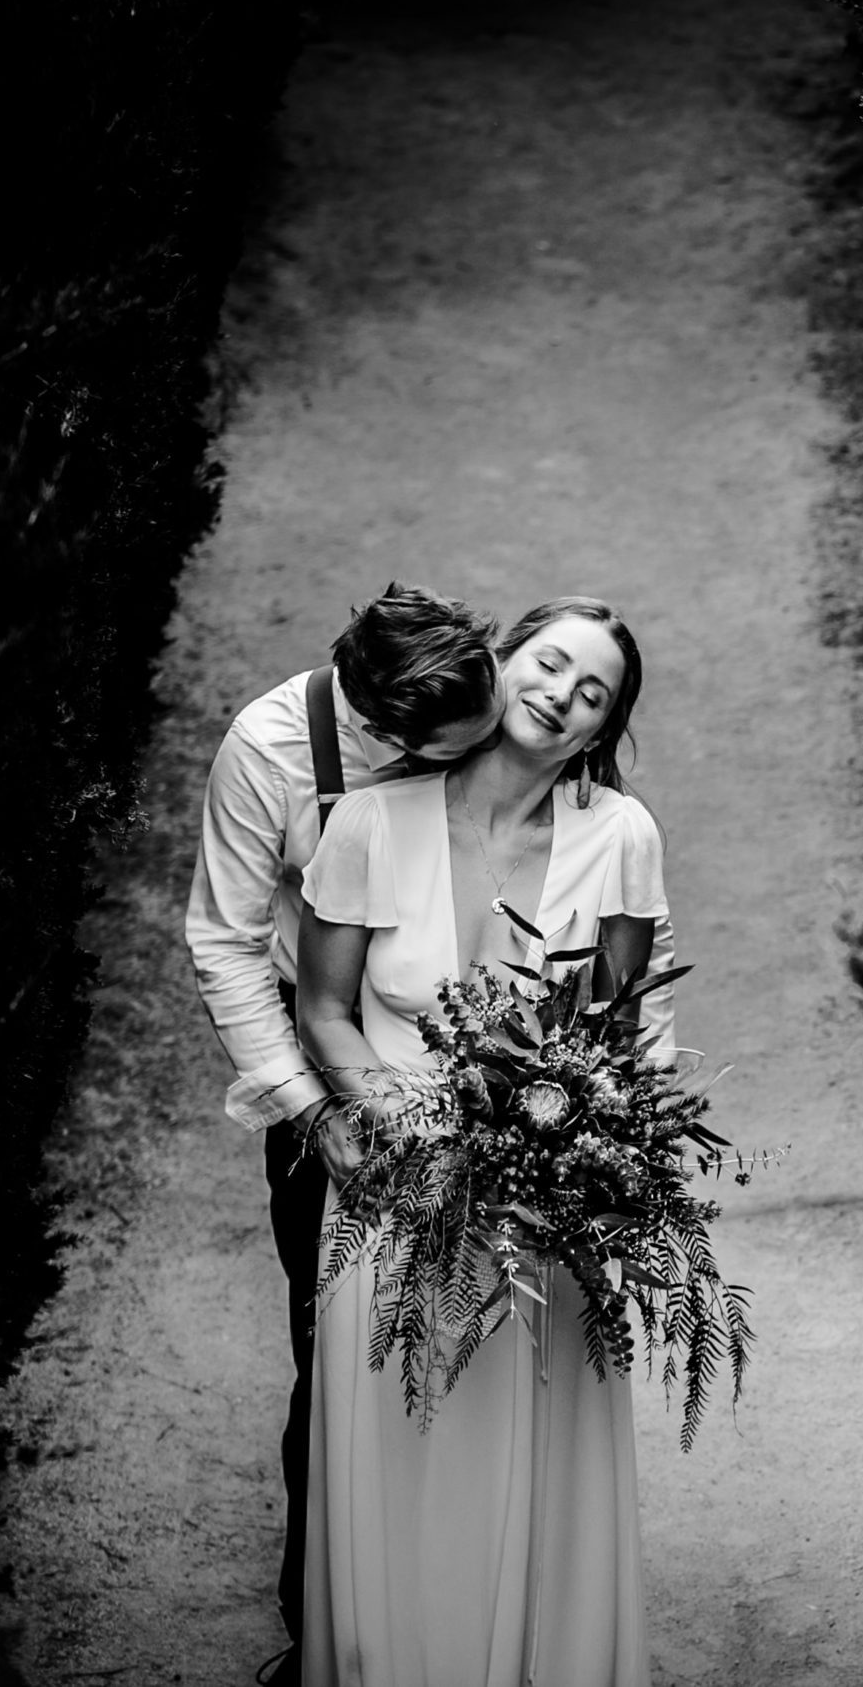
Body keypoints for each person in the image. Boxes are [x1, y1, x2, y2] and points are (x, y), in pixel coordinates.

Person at [185, 584, 680, 1681]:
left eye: (593, 692)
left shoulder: (620, 837)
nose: (561, 696)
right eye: (549, 666)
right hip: (372, 1164)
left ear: (606, 728)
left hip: (536, 1197)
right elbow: (278, 977)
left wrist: (606, 1160)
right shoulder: (320, 787)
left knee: (524, 1429)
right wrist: (359, 1120)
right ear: (503, 663)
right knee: (352, 1393)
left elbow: (623, 1028)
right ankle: (360, 1647)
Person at [186, 582, 505, 1669]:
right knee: (339, 1362)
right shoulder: (269, 753)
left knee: (499, 1346)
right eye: (455, 751)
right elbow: (224, 941)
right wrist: (313, 1109)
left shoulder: (480, 698)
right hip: (330, 1085)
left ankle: (475, 1596)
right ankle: (323, 1629)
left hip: (494, 1071)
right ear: (386, 738)